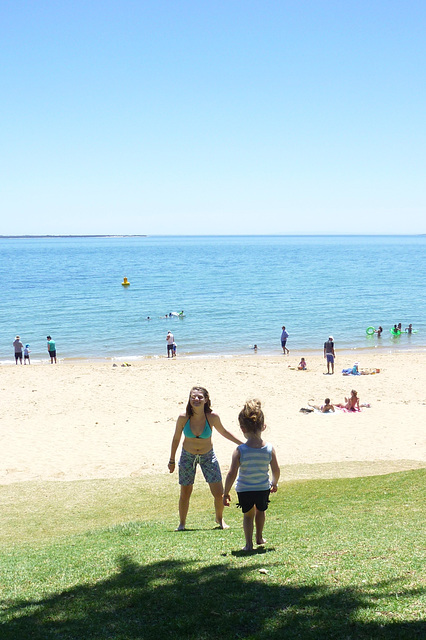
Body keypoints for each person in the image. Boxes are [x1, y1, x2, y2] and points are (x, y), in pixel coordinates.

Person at [169, 386, 243, 531]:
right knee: (185, 492)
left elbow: (224, 432)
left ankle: (220, 520)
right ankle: (182, 523)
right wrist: (171, 460)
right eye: (193, 397)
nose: (196, 399)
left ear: (206, 400)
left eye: (200, 397)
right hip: (187, 456)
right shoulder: (183, 417)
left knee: (218, 492)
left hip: (208, 456)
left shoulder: (212, 417)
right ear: (189, 399)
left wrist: (244, 444)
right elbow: (176, 438)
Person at [223, 399, 280, 551]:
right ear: (263, 426)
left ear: (242, 428)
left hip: (245, 489)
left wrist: (225, 492)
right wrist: (274, 483)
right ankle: (259, 537)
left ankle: (249, 544)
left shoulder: (240, 450)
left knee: (248, 515)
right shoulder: (269, 448)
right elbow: (276, 469)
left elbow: (231, 473)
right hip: (262, 487)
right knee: (261, 512)